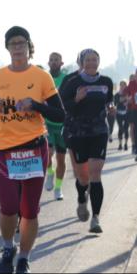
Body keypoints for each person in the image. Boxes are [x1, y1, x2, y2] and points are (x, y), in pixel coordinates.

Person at [0, 26, 65, 274]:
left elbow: (60, 114)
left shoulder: (41, 77)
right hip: (4, 149)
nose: (17, 47)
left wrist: (36, 105)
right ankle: (8, 247)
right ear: (7, 47)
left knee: (29, 209)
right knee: (8, 208)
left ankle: (24, 258)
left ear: (29, 46)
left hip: (34, 148)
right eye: (13, 43)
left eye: (21, 42)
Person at [59, 49, 113, 234]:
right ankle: (82, 198)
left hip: (99, 131)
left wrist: (111, 108)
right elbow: (63, 107)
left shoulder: (106, 82)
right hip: (78, 133)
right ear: (82, 62)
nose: (91, 63)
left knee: (95, 173)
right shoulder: (73, 82)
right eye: (88, 60)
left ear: (99, 61)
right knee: (83, 177)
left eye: (94, 60)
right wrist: (76, 98)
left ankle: (96, 219)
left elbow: (108, 102)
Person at [42, 52, 70, 201]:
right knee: (47, 153)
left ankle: (58, 188)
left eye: (56, 60)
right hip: (47, 123)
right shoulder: (44, 78)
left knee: (61, 159)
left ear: (61, 63)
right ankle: (49, 173)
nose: (53, 62)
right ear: (48, 62)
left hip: (62, 124)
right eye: (51, 60)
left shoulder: (65, 79)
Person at [114, 80, 130, 151]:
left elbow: (131, 101)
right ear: (119, 86)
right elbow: (116, 102)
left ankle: (126, 144)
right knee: (120, 128)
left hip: (127, 113)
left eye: (124, 85)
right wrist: (124, 99)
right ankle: (120, 144)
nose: (123, 87)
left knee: (126, 128)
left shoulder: (129, 94)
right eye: (121, 85)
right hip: (119, 113)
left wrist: (127, 101)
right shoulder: (117, 95)